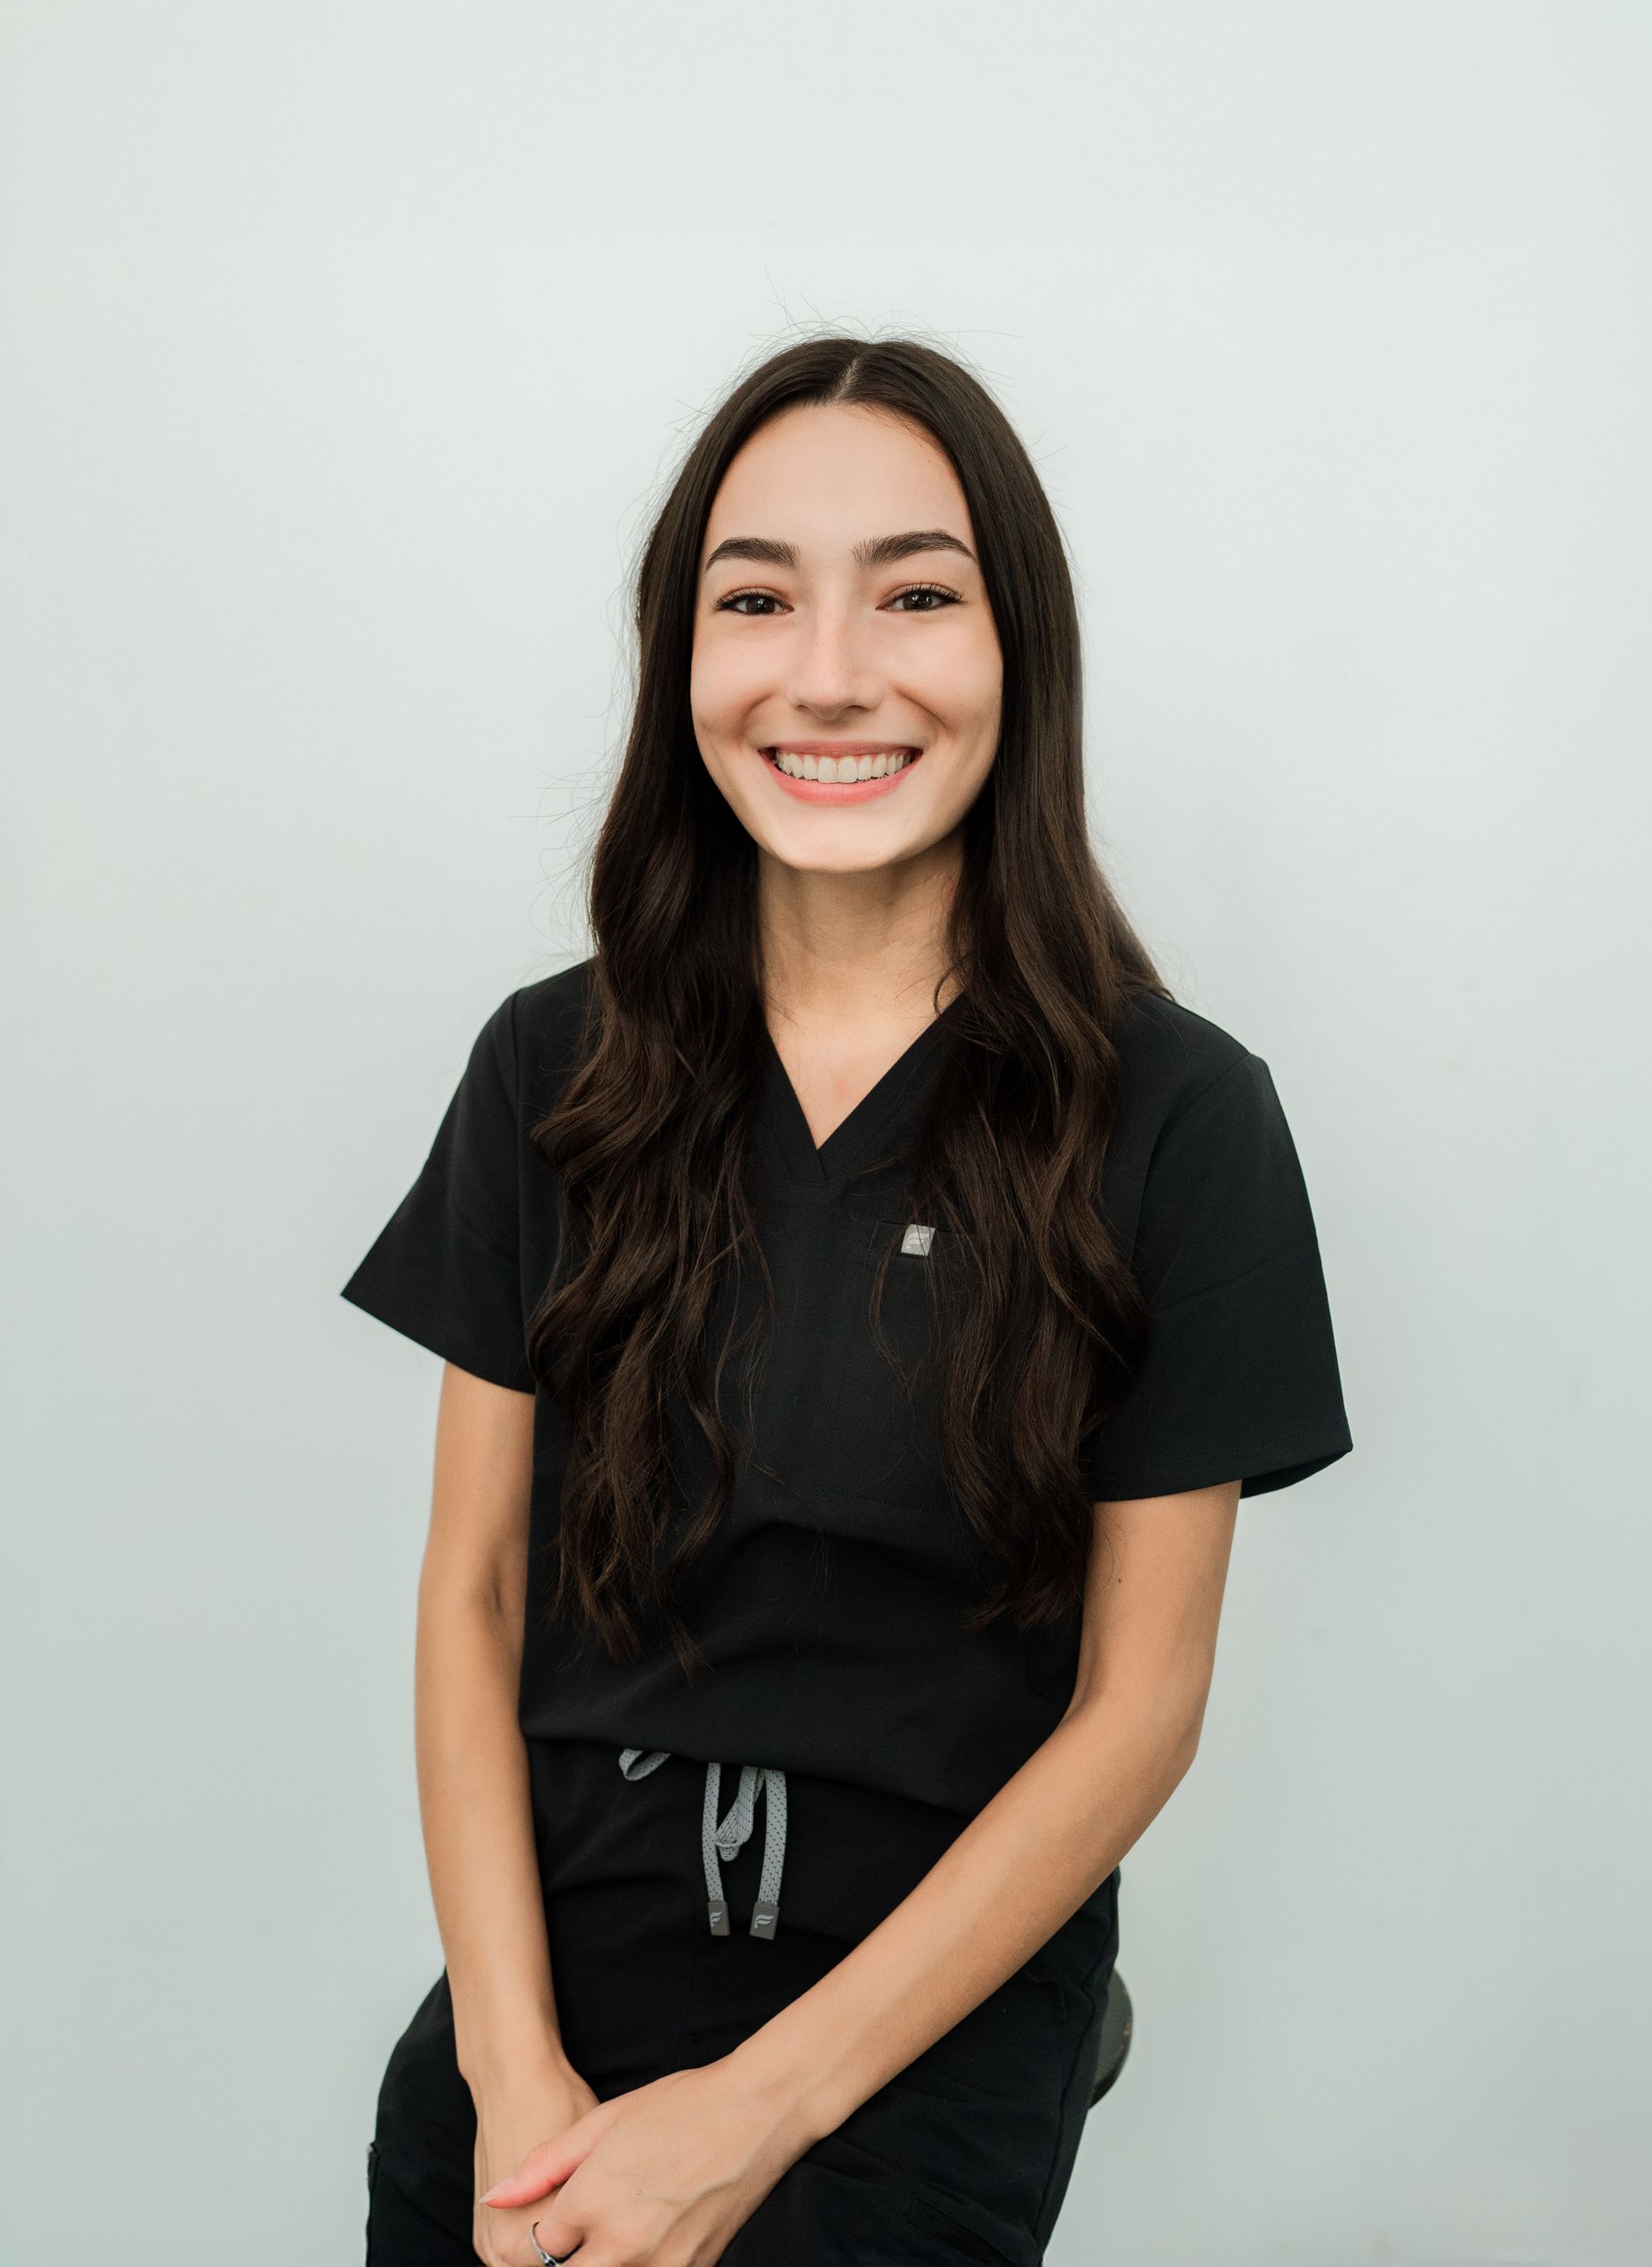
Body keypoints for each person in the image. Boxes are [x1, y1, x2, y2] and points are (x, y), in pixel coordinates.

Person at [339, 334, 1352, 2267]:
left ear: (1014, 651)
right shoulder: (550, 1070)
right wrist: (514, 2066)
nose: (827, 673)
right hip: (575, 1942)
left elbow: (1142, 1708)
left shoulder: (1182, 1118)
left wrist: (754, 2115)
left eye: (913, 592)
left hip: (935, 1980)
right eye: (755, 599)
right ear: (684, 659)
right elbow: (471, 1595)